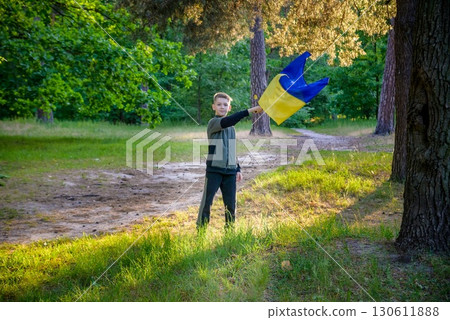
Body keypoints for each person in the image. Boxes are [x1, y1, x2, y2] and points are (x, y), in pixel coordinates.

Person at [196, 92, 263, 231]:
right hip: (215, 170)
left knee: (231, 204)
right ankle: (201, 230)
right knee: (207, 202)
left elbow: (231, 150)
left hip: (230, 171)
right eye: (219, 104)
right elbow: (228, 121)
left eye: (225, 105)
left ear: (229, 107)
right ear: (213, 107)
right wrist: (249, 111)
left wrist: (237, 168)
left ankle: (230, 231)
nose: (222, 107)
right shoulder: (214, 123)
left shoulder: (232, 129)